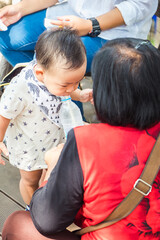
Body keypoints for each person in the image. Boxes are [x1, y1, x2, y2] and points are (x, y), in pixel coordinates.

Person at [2, 37, 160, 240]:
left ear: (109, 93)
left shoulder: (86, 143)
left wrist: (52, 168)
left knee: (18, 224)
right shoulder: (22, 87)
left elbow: (46, 220)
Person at [0, 28, 92, 206]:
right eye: (67, 84)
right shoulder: (20, 88)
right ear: (40, 74)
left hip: (52, 139)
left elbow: (65, 92)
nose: (72, 88)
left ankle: (45, 201)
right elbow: (3, 115)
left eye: (77, 82)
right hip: (28, 147)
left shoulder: (57, 79)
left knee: (47, 174)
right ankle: (33, 210)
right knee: (30, 181)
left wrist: (79, 95)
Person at [0, 0, 158, 73]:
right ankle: (43, 94)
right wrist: (19, 9)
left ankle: (71, 125)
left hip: (115, 32)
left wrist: (91, 25)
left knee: (60, 63)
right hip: (71, 13)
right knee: (5, 35)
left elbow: (141, 4)